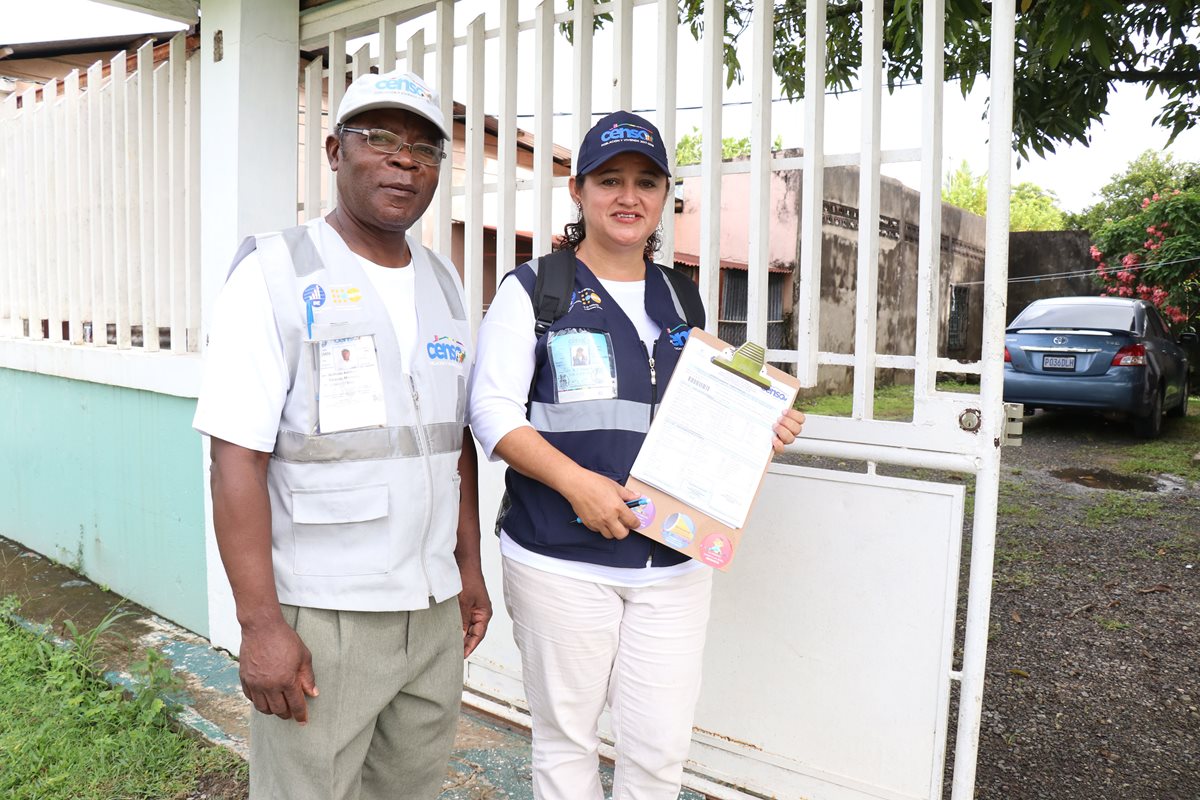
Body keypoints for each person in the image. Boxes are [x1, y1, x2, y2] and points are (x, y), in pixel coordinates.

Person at [468, 111, 805, 800]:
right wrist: (577, 484)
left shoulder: (680, 296)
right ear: (578, 189)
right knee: (566, 742)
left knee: (658, 752)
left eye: (646, 182)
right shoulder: (535, 290)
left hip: (672, 563)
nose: (629, 197)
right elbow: (491, 412)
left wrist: (759, 427)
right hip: (560, 559)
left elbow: (699, 414)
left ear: (663, 197)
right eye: (611, 180)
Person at [192, 69, 492, 800]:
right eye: (381, 138)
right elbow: (235, 456)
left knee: (409, 791)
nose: (405, 160)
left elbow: (449, 444)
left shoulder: (445, 282)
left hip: (430, 614)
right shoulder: (274, 273)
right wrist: (260, 625)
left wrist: (469, 569)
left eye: (425, 147)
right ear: (335, 151)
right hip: (326, 614)